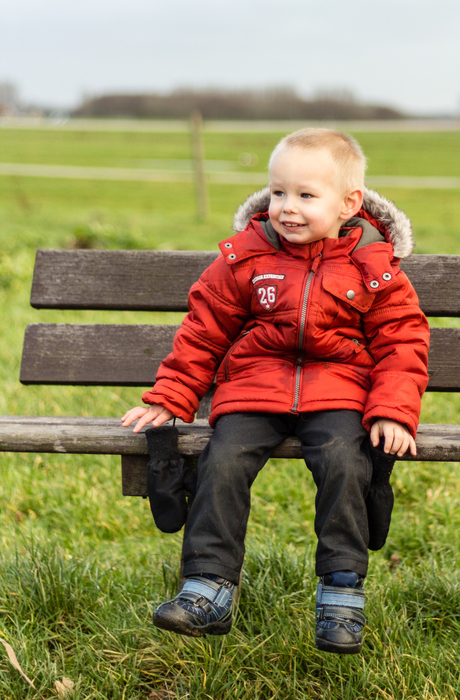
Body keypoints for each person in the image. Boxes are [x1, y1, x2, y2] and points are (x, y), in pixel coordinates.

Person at [122, 128, 430, 654]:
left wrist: (393, 413)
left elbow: (402, 341)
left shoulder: (373, 268)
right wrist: (170, 397)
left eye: (307, 196)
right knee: (223, 461)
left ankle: (341, 589)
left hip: (338, 394)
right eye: (279, 192)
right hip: (253, 390)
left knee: (345, 464)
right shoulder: (246, 258)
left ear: (347, 204)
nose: (287, 208)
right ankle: (208, 588)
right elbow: (204, 330)